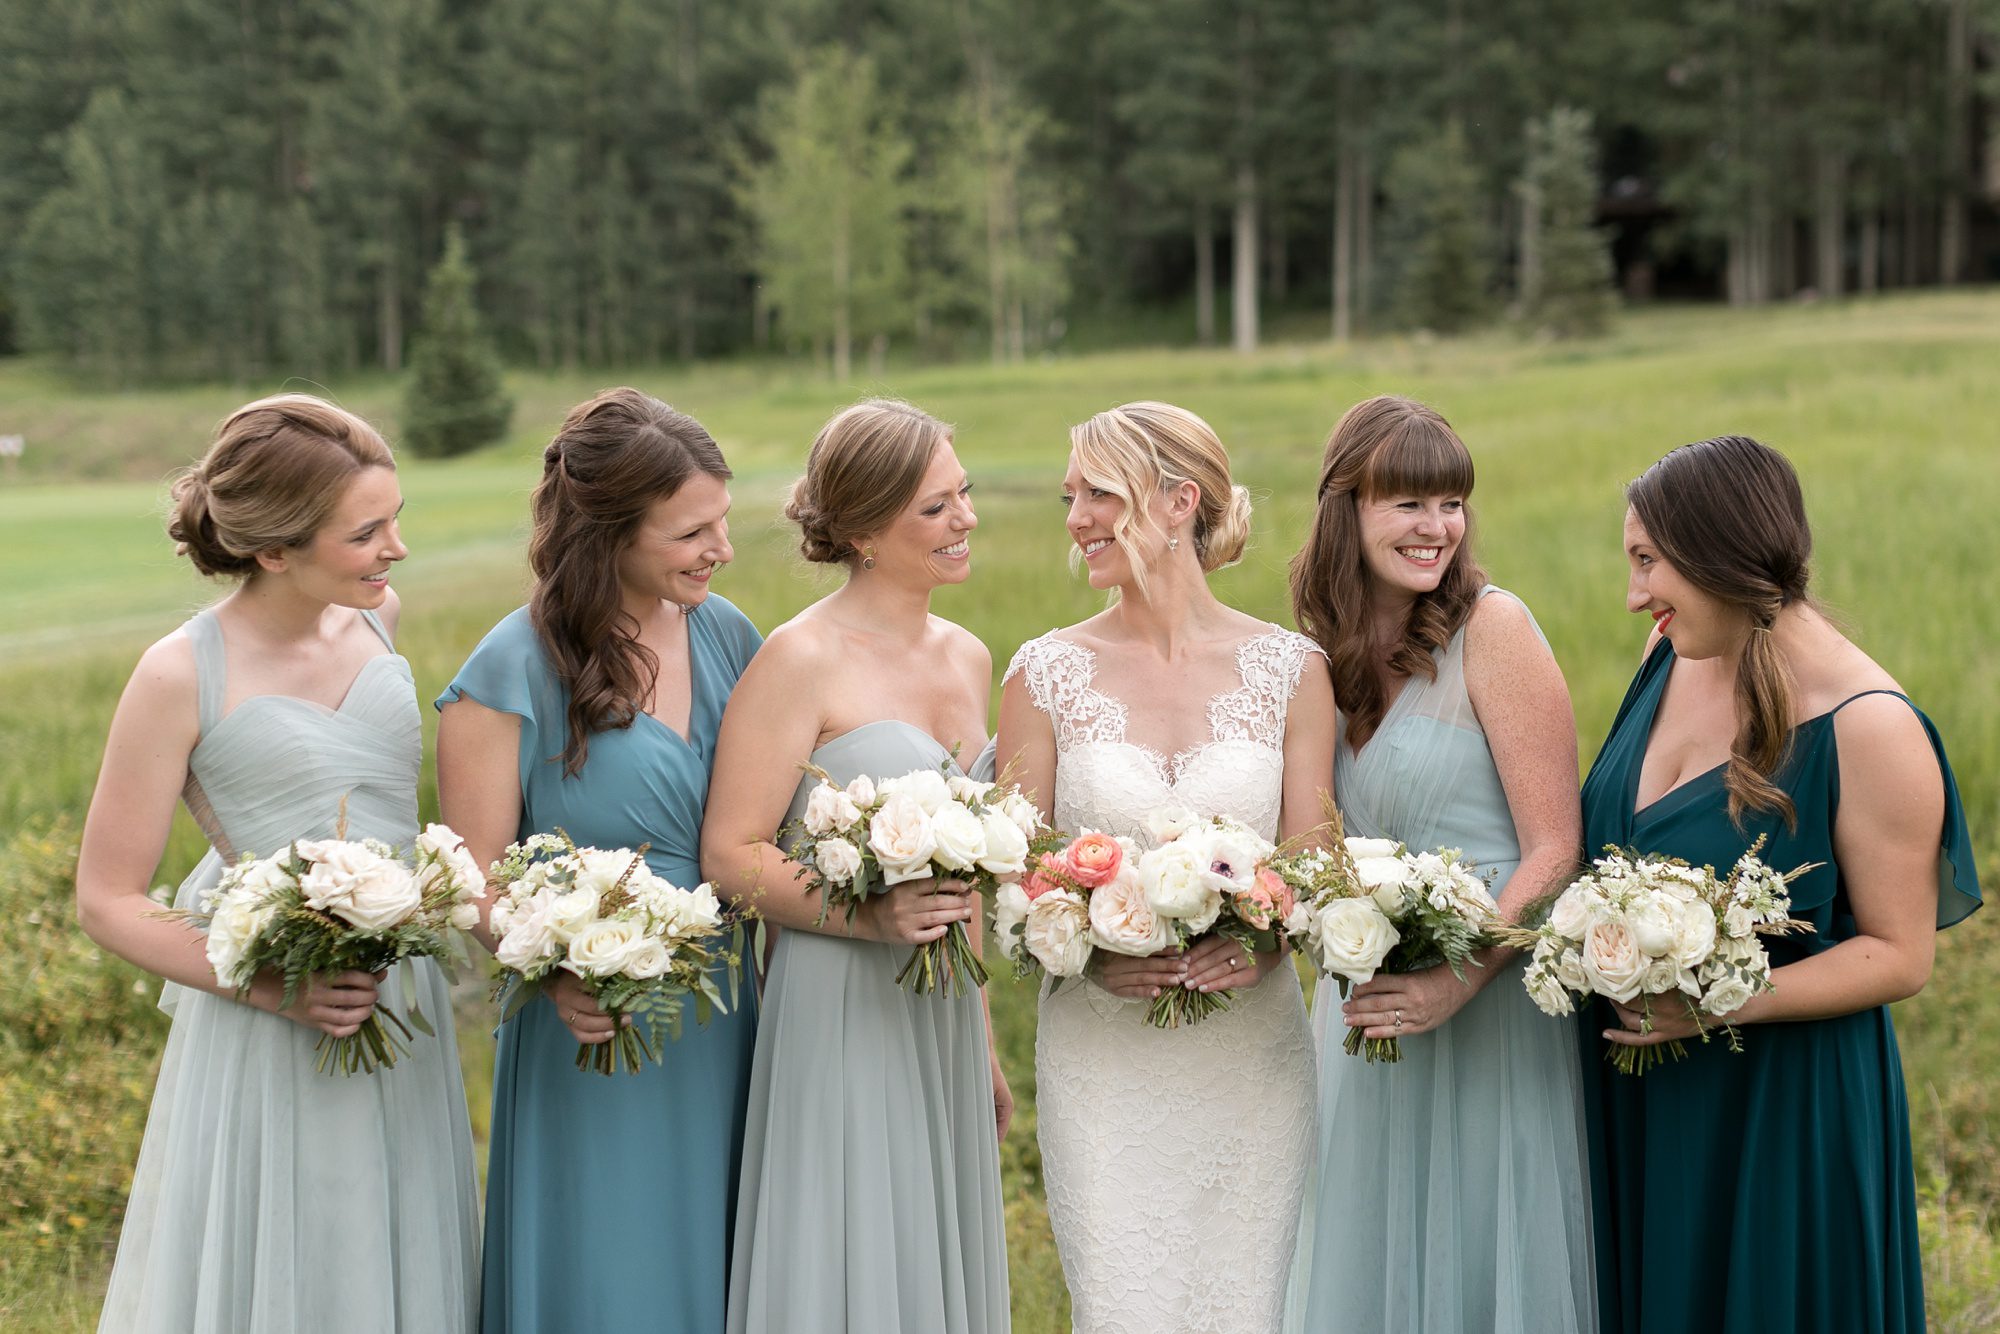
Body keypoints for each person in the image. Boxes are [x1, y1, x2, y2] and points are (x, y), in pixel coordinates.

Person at [77, 394, 478, 1333]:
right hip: (270, 1010)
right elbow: (105, 899)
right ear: (272, 551)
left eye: (397, 520)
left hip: (398, 998)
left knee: (400, 1245)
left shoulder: (380, 620)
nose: (397, 551)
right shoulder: (179, 674)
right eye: (366, 532)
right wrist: (270, 987)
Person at [1580, 433, 1981, 1334]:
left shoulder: (1869, 727)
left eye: (1648, 562)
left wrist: (1724, 1004)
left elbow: (1898, 953)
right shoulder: (1668, 655)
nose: (1635, 594)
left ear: (1717, 552)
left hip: (1778, 1111)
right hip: (1642, 1094)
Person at [995, 400, 1334, 1334]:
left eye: (1100, 493)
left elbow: (1316, 865)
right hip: (1104, 1054)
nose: (1076, 519)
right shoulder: (1044, 674)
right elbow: (1014, 873)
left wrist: (1266, 948)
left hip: (1251, 1058)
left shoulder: (1292, 670)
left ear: (1181, 501)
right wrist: (1088, 954)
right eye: (1072, 496)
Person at [436, 388, 759, 1334]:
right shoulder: (506, 669)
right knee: (611, 1277)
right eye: (691, 531)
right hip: (592, 1021)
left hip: (727, 1011)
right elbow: (472, 879)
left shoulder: (728, 634)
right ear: (608, 532)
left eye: (723, 523)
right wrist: (555, 963)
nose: (720, 550)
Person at [1283, 395, 1595, 1333]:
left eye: (1451, 503)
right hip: (1370, 1007)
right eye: (1408, 503)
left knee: (1483, 1253)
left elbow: (1555, 846)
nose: (1437, 529)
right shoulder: (1314, 658)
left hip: (1492, 1009)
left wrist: (1459, 977)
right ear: (1347, 508)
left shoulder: (1492, 629)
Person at [703, 398, 1009, 1334]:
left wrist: (987, 1037)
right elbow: (729, 853)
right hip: (837, 997)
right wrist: (866, 918)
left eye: (963, 496)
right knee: (848, 1242)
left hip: (942, 1006)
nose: (964, 521)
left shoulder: (968, 655)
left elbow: (973, 875)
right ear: (866, 530)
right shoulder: (798, 658)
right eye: (934, 508)